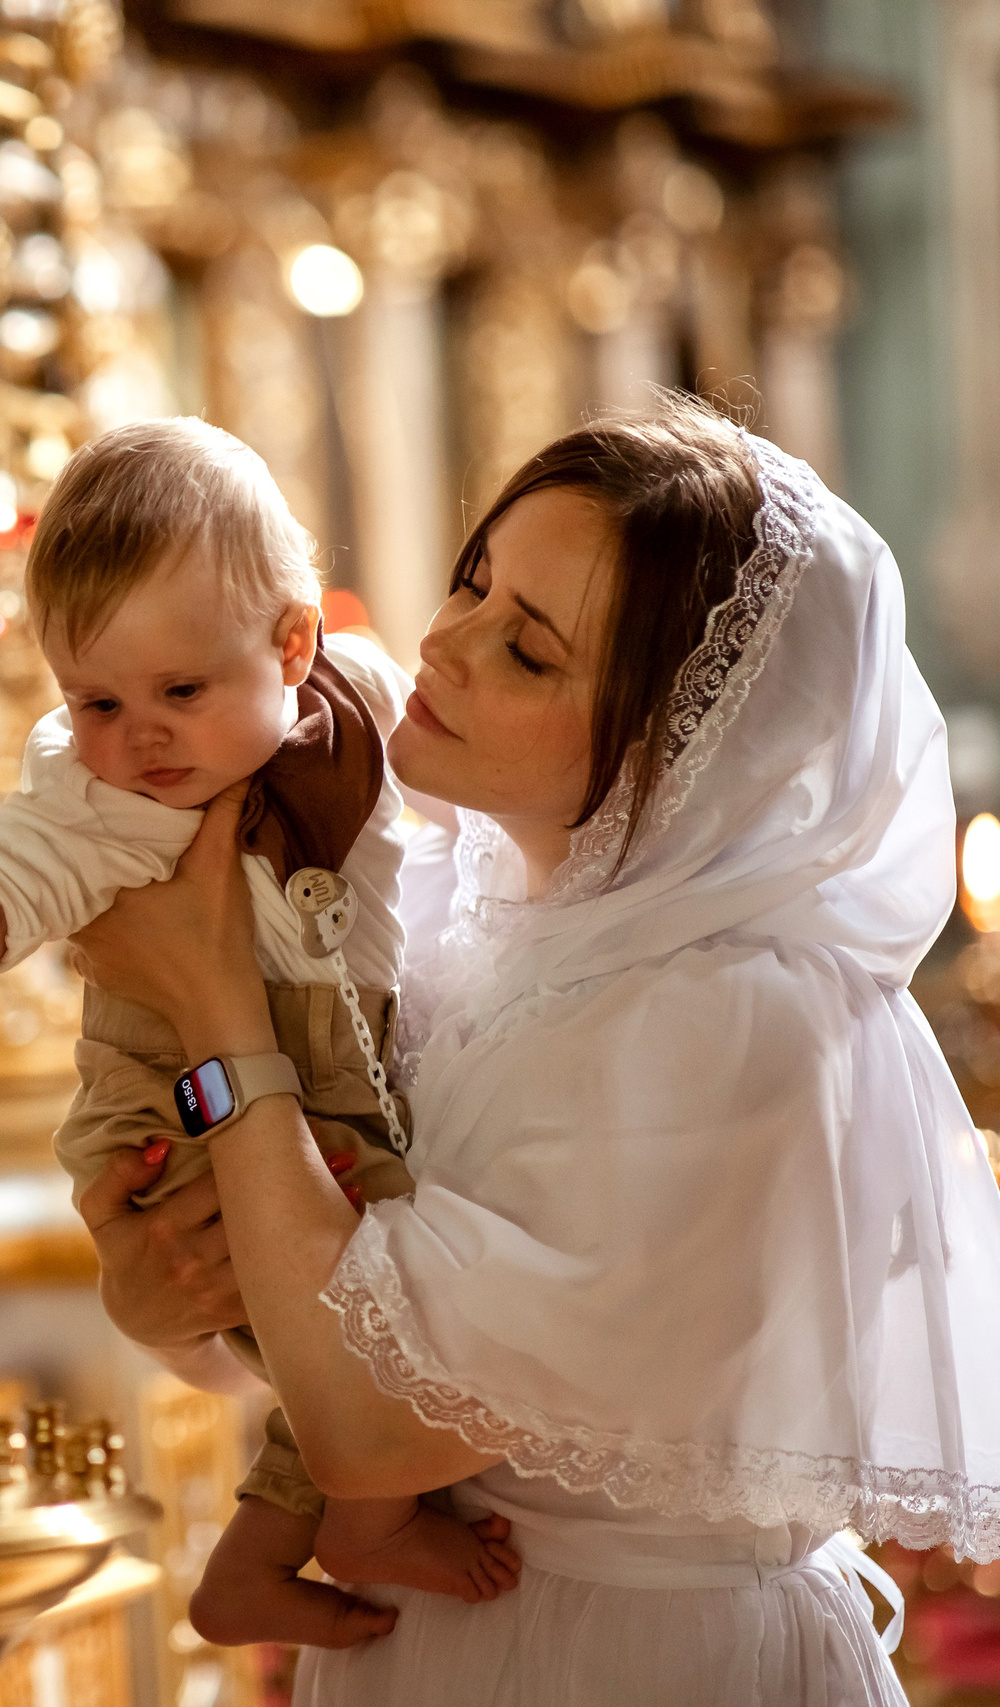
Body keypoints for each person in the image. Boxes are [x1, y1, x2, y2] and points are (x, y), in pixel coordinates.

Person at [73, 398, 1000, 1704]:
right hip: (443, 1629)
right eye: (473, 578)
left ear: (680, 745)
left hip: (625, 1656)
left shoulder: (734, 1017)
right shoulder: (467, 911)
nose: (446, 640)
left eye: (529, 648)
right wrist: (164, 1288)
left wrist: (219, 1006)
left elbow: (367, 1421)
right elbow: (308, 1298)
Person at [0, 419, 518, 1646]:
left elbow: (467, 804)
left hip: (322, 1069)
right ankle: (341, 1522)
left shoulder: (360, 697)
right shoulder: (95, 800)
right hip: (171, 1108)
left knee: (367, 1286)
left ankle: (275, 1548)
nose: (137, 735)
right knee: (361, 1296)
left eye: (179, 693)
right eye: (93, 697)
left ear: (293, 645)